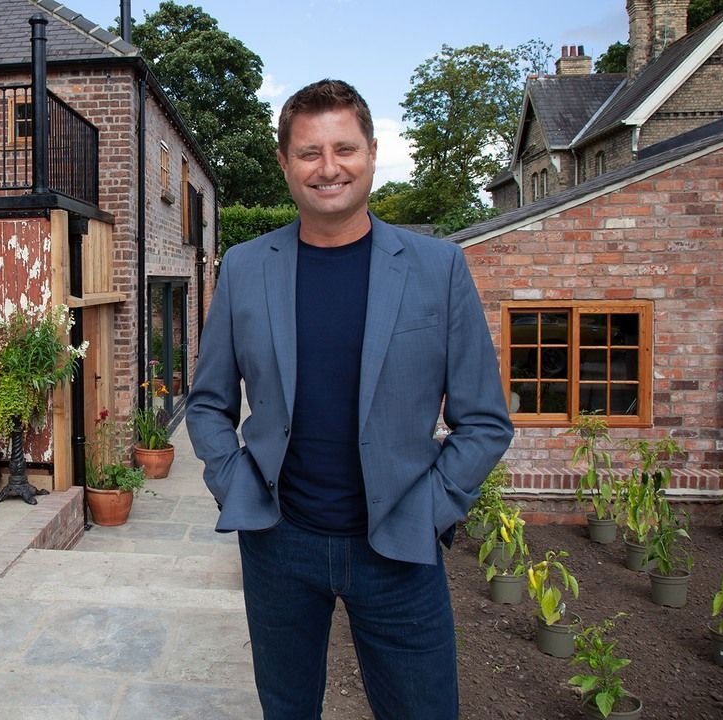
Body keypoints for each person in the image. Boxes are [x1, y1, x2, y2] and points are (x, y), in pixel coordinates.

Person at [185, 79, 513, 719]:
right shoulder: (245, 268)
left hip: (399, 548)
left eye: (344, 149)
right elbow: (207, 403)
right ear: (285, 163)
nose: (328, 167)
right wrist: (235, 485)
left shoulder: (437, 267)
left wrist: (430, 509)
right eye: (309, 152)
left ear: (372, 153)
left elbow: (484, 422)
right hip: (280, 544)